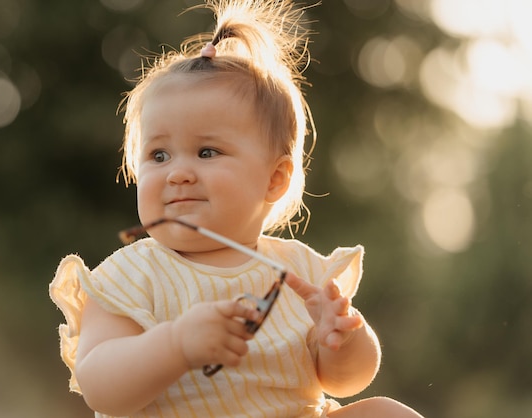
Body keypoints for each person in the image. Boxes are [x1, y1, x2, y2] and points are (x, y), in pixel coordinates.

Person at [49, 0, 425, 417]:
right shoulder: (130, 278)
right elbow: (101, 389)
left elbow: (345, 381)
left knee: (386, 413)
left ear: (274, 179)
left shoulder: (301, 273)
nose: (177, 174)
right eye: (158, 156)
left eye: (206, 152)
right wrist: (175, 345)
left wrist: (342, 338)